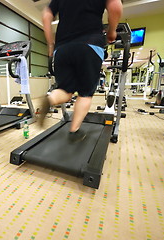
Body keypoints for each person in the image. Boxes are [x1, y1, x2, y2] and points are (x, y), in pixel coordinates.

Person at [39, 0, 122, 142]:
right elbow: (115, 5)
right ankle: (74, 131)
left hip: (62, 48)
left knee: (65, 90)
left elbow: (46, 15)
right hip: (90, 44)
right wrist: (111, 32)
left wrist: (51, 44)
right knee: (85, 93)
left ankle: (50, 99)